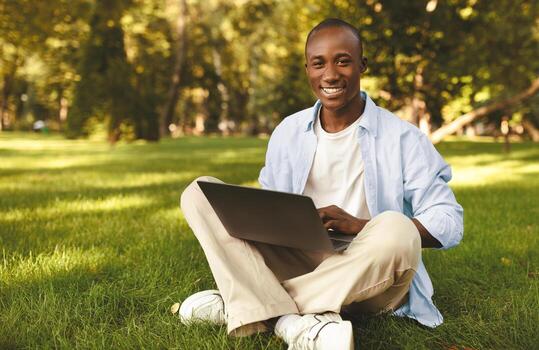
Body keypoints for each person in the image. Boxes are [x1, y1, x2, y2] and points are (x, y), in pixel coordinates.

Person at [173, 18, 463, 350]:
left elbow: (449, 221)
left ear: (361, 66)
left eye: (343, 61)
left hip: (368, 268)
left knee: (397, 229)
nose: (330, 74)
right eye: (318, 63)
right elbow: (267, 208)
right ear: (308, 69)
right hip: (296, 256)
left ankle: (252, 305)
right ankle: (291, 319)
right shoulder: (287, 132)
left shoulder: (403, 137)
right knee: (199, 191)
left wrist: (360, 226)